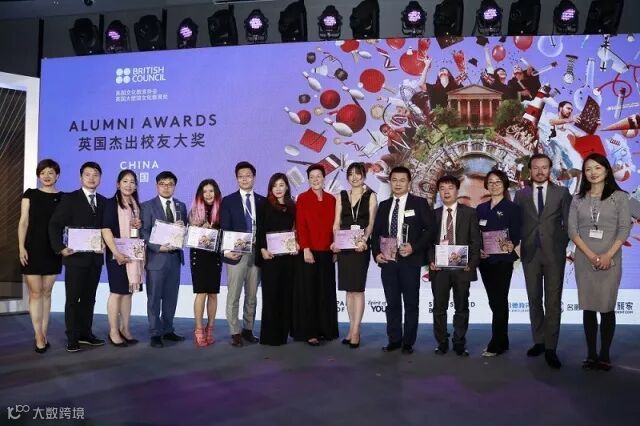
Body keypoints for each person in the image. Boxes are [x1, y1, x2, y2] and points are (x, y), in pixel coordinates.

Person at [568, 153, 631, 371]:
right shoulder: (577, 199)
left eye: (597, 168)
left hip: (610, 259)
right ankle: (591, 354)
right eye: (588, 169)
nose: (592, 173)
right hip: (584, 259)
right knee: (588, 307)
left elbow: (624, 229)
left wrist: (607, 255)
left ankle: (604, 354)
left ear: (606, 170)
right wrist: (591, 256)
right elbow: (573, 231)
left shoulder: (620, 197)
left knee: (606, 307)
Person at [514, 153, 572, 369]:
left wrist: (561, 244)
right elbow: (516, 223)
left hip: (554, 254)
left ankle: (551, 347)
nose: (540, 171)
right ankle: (539, 340)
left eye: (544, 167)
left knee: (553, 301)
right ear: (530, 170)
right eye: (536, 167)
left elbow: (569, 223)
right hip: (530, 254)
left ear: (550, 169)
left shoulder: (562, 193)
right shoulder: (521, 194)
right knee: (534, 299)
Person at [371, 166, 434, 355]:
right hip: (388, 261)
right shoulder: (384, 205)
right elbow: (375, 234)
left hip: (410, 261)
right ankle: (394, 339)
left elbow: (430, 230)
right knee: (392, 303)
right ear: (390, 182)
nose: (398, 184)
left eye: (402, 180)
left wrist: (414, 247)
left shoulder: (419, 203)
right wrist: (376, 253)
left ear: (409, 182)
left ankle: (408, 342)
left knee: (411, 303)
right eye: (394, 180)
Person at [49, 161, 106, 353]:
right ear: (81, 177)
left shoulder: (104, 201)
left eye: (95, 175)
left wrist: (105, 245)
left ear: (100, 178)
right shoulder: (70, 198)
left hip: (95, 259)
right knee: (73, 299)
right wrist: (60, 248)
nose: (92, 178)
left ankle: (86, 334)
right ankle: (72, 337)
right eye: (87, 174)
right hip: (75, 258)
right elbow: (54, 224)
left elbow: (107, 230)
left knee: (89, 299)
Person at [428, 175, 481, 357]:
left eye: (450, 187)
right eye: (442, 188)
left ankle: (459, 342)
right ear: (438, 192)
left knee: (462, 307)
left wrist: (471, 263)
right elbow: (428, 242)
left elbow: (476, 241)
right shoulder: (433, 214)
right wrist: (431, 260)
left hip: (462, 269)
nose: (446, 191)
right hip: (440, 269)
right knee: (439, 308)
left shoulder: (469, 213)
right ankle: (442, 342)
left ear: (457, 190)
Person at [18, 159, 62, 353]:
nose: (46, 176)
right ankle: (38, 335)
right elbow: (23, 222)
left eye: (50, 172)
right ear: (38, 175)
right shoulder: (30, 194)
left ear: (57, 175)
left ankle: (44, 332)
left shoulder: (63, 198)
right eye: (43, 172)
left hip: (53, 249)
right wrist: (21, 247)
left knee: (47, 292)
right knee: (35, 293)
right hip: (32, 248)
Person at [220, 161, 266, 347]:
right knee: (234, 295)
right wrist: (226, 251)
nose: (244, 179)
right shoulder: (228, 200)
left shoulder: (262, 201)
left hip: (256, 252)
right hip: (236, 253)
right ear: (236, 179)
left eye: (248, 176)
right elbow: (224, 227)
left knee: (252, 295)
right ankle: (235, 332)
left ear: (254, 177)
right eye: (241, 176)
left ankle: (248, 329)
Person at [331, 162, 377, 349]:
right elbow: (336, 223)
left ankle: (356, 330)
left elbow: (371, 223)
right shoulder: (341, 196)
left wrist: (364, 239)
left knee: (357, 289)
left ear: (364, 175)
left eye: (358, 173)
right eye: (350, 174)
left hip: (360, 247)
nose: (354, 177)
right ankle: (351, 328)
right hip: (344, 248)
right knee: (348, 290)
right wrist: (335, 241)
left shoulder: (371, 196)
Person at [476, 169, 521, 357]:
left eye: (498, 182)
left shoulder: (513, 208)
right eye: (491, 182)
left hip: (502, 261)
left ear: (504, 185)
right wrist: (478, 248)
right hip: (485, 261)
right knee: (493, 301)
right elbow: (476, 234)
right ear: (486, 185)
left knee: (499, 300)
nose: (494, 185)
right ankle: (503, 339)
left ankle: (496, 343)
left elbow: (516, 234)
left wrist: (512, 244)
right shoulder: (480, 209)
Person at [140, 171, 188, 348]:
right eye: (162, 184)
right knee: (154, 298)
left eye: (170, 184)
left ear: (175, 186)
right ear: (156, 185)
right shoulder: (147, 206)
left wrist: (184, 228)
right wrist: (158, 247)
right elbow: (143, 232)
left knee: (171, 297)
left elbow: (184, 231)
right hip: (156, 258)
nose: (166, 187)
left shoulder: (181, 206)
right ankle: (155, 333)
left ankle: (168, 329)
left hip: (175, 258)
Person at [293, 164, 338, 346]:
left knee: (325, 292)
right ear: (308, 179)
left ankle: (325, 330)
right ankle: (309, 332)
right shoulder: (303, 198)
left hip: (328, 251)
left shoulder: (332, 199)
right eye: (312, 177)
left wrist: (336, 247)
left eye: (318, 176)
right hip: (309, 252)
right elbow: (301, 225)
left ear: (324, 178)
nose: (315, 180)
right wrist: (305, 248)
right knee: (309, 293)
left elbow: (336, 225)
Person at [100, 169, 143, 347]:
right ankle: (113, 331)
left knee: (128, 294)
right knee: (117, 293)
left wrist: (138, 224)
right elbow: (106, 230)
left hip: (132, 255)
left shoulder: (136, 205)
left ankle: (125, 329)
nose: (129, 185)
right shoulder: (111, 204)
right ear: (118, 184)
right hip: (116, 255)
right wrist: (116, 253)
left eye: (132, 182)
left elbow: (136, 232)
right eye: (125, 181)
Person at [255, 173, 298, 346]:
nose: (278, 189)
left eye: (281, 185)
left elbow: (295, 230)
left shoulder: (292, 206)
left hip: (288, 258)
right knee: (271, 296)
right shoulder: (264, 205)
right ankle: (269, 336)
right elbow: (259, 230)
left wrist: (296, 245)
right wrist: (262, 249)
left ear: (287, 187)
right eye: (275, 185)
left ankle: (283, 334)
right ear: (270, 188)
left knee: (286, 296)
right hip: (270, 258)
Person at [188, 179, 223, 347]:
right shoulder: (194, 211)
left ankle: (210, 328)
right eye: (205, 191)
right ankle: (198, 329)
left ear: (216, 193)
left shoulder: (222, 210)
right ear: (200, 194)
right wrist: (200, 229)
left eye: (211, 191)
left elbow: (226, 233)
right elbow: (189, 235)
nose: (208, 194)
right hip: (199, 255)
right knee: (201, 292)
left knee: (213, 293)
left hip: (214, 256)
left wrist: (214, 230)